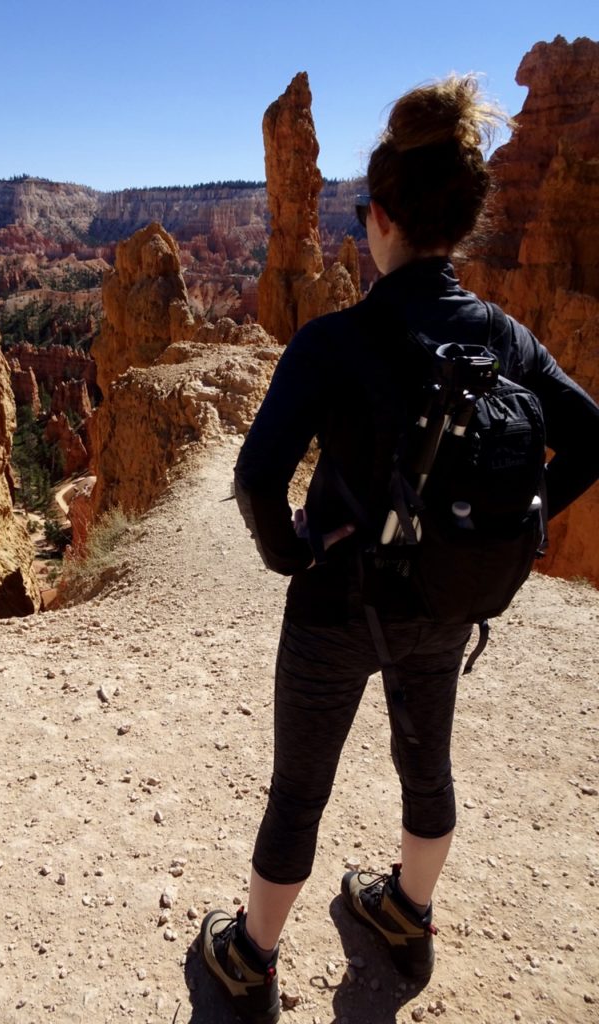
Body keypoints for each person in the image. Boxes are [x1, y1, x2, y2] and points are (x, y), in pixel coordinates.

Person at [198, 74, 599, 1024]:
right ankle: (406, 914)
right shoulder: (504, 336)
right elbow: (590, 435)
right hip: (447, 603)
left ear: (378, 216)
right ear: (463, 224)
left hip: (337, 603)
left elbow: (257, 478)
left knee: (300, 787)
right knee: (429, 767)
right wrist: (531, 524)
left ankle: (251, 958)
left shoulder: (335, 338)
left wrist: (291, 554)